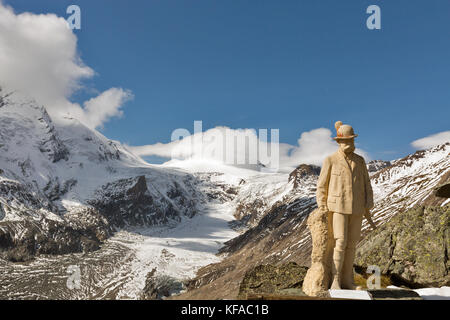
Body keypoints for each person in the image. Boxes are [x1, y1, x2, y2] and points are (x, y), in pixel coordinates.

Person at [316, 121, 376, 290]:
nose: (348, 144)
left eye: (351, 140)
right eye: (345, 141)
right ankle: (335, 280)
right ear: (338, 142)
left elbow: (366, 184)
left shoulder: (360, 161)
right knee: (340, 242)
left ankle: (347, 280)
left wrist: (368, 203)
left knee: (352, 245)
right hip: (338, 207)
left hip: (357, 208)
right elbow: (322, 185)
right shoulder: (330, 160)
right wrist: (322, 205)